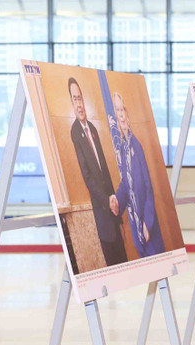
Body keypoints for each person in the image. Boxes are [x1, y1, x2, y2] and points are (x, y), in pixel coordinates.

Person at [68, 77, 127, 266]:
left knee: (123, 260)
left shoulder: (92, 128)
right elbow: (88, 177)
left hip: (112, 209)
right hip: (102, 211)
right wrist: (106, 200)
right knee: (113, 263)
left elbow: (105, 173)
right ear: (71, 103)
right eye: (74, 99)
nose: (79, 104)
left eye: (80, 98)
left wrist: (117, 214)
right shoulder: (75, 132)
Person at [109, 91, 165, 258]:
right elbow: (126, 184)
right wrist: (117, 198)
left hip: (147, 224)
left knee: (157, 262)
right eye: (117, 110)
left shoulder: (136, 146)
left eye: (122, 109)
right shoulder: (122, 148)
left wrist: (148, 221)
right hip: (136, 227)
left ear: (127, 113)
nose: (121, 114)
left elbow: (147, 187)